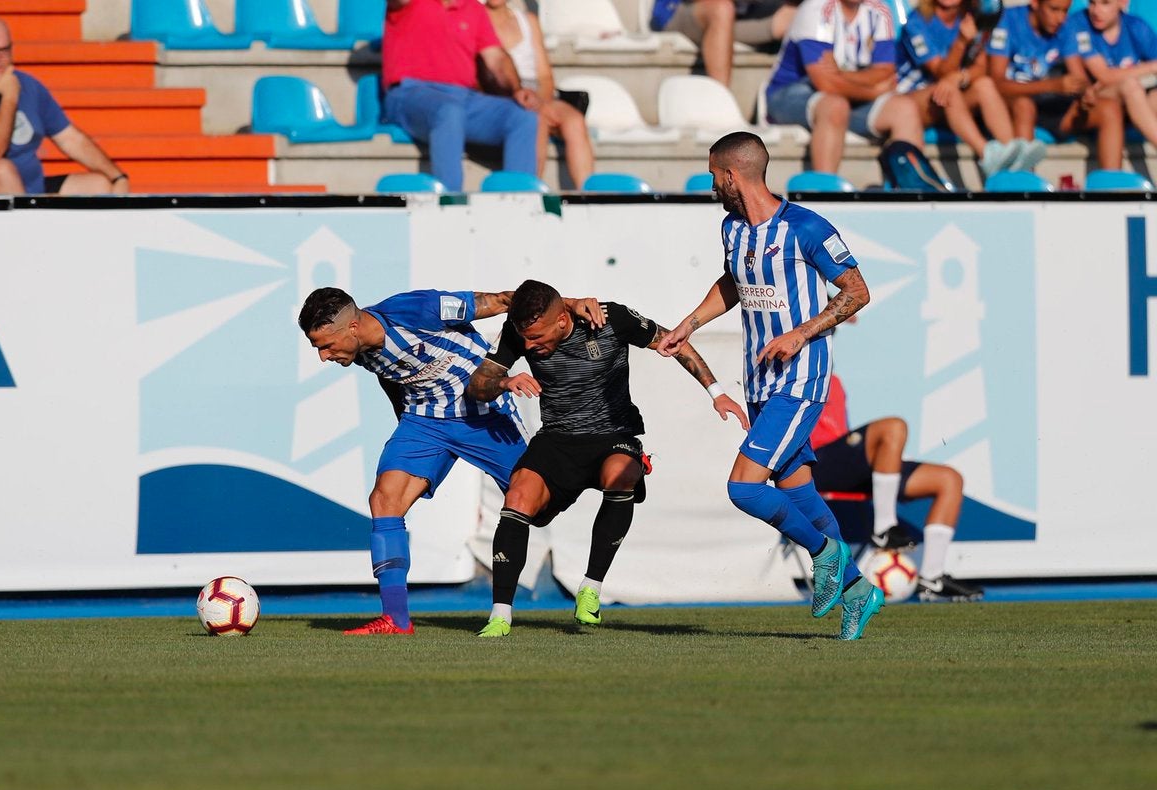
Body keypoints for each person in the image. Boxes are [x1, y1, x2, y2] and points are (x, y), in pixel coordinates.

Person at [658, 131, 884, 641]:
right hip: (759, 383)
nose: (712, 183)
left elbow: (857, 291)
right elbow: (734, 284)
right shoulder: (732, 230)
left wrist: (801, 333)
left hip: (800, 380)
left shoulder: (806, 227)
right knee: (798, 492)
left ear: (733, 176)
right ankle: (857, 592)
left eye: (715, 174)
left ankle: (825, 554)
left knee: (743, 487)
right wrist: (688, 325)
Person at [298, 286, 603, 636]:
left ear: (352, 328)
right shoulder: (359, 350)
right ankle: (395, 619)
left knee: (539, 508)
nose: (323, 356)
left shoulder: (414, 310)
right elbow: (392, 376)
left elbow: (506, 300)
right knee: (384, 500)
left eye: (325, 345)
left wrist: (571, 304)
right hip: (424, 421)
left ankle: (602, 461)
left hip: (484, 412)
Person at [466, 279, 748, 637]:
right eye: (525, 339)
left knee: (622, 474)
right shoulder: (519, 330)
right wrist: (504, 383)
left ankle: (590, 588)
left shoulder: (609, 318)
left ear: (562, 322)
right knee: (518, 499)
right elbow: (477, 383)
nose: (529, 346)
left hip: (613, 435)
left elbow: (675, 343)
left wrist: (717, 393)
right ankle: (500, 615)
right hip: (557, 439)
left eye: (537, 338)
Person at [810, 375, 985, 601]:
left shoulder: (833, 379)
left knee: (949, 479)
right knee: (893, 426)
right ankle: (884, 529)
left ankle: (932, 578)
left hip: (846, 465)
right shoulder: (791, 374)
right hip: (813, 464)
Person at [0, 16, 129, 195]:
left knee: (99, 184)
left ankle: (33, 213)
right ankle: (28, 221)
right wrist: (10, 97)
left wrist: (117, 177)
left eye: (3, 50)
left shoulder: (29, 84)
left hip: (30, 187)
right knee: (0, 170)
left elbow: (69, 138)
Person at [382, 0, 540, 193]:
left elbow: (496, 58)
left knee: (522, 116)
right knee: (448, 111)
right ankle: (450, 202)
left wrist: (517, 89)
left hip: (463, 97)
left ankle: (520, 202)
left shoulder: (474, 9)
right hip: (409, 93)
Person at [765, 0, 926, 175]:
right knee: (835, 106)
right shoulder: (816, 8)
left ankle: (913, 188)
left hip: (848, 98)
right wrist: (874, 91)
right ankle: (825, 192)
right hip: (788, 94)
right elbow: (825, 84)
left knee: (905, 108)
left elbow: (885, 71)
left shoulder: (880, 11)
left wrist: (842, 74)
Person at [895, 0, 1046, 178]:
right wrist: (961, 42)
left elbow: (981, 67)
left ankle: (1011, 155)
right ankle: (987, 155)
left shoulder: (970, 17)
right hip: (915, 101)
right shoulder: (917, 22)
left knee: (984, 85)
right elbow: (940, 73)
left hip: (950, 99)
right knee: (949, 91)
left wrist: (958, 77)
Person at [987, 0, 1125, 172]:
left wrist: (1085, 93)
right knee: (1025, 106)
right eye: (1054, 9)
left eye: (1065, 11)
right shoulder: (1008, 20)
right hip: (1016, 106)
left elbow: (1078, 76)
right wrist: (1051, 85)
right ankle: (1024, 185)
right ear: (1035, 3)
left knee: (1109, 109)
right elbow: (996, 84)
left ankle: (1114, 187)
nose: (1060, 18)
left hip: (1055, 109)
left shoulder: (1066, 26)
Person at [484, 0, 595, 189]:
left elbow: (544, 76)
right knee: (536, 122)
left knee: (574, 120)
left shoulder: (528, 21)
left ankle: (588, 197)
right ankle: (531, 195)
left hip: (536, 93)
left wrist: (539, 101)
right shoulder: (475, 18)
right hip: (500, 93)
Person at [1063, 0, 1157, 151]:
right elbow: (1104, 76)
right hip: (1092, 103)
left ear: (1123, 3)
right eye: (1092, 3)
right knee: (1130, 86)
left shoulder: (1136, 26)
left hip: (1132, 106)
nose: (1096, 10)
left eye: (1105, 3)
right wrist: (1150, 67)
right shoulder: (1078, 24)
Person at [650, 0, 799, 86]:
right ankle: (719, 100)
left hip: (743, 11)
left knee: (798, 13)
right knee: (721, 9)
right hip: (679, 9)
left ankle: (791, 98)